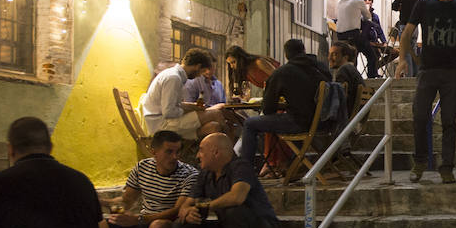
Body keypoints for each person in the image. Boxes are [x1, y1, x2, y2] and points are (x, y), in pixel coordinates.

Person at [399, 0, 456, 183]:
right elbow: (407, 33)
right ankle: (420, 161)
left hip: (451, 71)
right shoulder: (423, 5)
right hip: (428, 69)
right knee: (420, 115)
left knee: (449, 120)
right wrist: (403, 59)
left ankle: (447, 167)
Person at [236, 38, 331, 173]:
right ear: (303, 50)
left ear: (286, 55)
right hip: (324, 121)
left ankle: (245, 172)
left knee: (250, 123)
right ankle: (287, 163)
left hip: (300, 122)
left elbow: (268, 108)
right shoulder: (321, 67)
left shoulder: (283, 73)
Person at [101, 130, 196, 228]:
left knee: (157, 227)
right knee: (100, 226)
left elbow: (176, 211)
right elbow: (127, 200)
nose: (175, 157)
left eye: (177, 151)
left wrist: (139, 219)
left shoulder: (189, 174)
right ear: (154, 152)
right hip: (143, 222)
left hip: (169, 225)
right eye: (169, 152)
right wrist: (101, 202)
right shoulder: (142, 167)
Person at [140, 48, 226, 140]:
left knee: (214, 126)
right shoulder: (173, 78)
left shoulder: (173, 74)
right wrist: (190, 111)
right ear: (198, 66)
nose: (200, 75)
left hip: (162, 122)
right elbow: (169, 112)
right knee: (216, 114)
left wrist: (192, 106)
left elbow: (173, 105)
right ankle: (228, 151)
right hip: (160, 125)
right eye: (202, 71)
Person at [334, 0, 379, 77]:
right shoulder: (358, 1)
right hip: (353, 34)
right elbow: (368, 17)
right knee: (372, 56)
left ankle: (350, 76)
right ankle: (371, 78)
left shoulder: (339, 2)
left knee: (353, 55)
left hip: (339, 35)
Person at [391, 0, 423, 77]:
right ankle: (414, 77)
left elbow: (394, 5)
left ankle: (408, 77)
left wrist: (400, 7)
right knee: (412, 51)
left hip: (405, 26)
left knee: (406, 52)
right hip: (415, 28)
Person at [329, 42, 365, 114]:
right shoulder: (352, 70)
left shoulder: (344, 71)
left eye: (334, 55)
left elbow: (338, 98)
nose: (329, 58)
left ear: (345, 57)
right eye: (329, 54)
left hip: (344, 116)